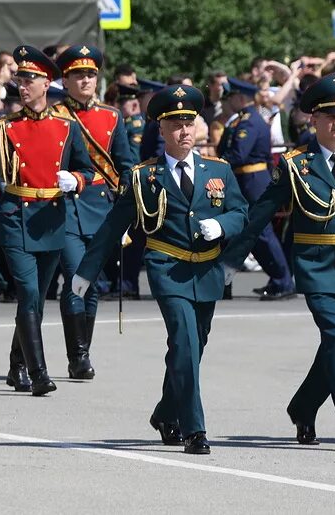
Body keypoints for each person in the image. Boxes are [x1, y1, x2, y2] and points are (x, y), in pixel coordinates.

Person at [221, 72, 335, 454]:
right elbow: (262, 211)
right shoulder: (296, 164)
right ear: (313, 120)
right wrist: (230, 261)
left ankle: (302, 407)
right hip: (316, 267)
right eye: (329, 116)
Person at [72, 84, 247, 454]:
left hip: (208, 271)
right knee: (183, 340)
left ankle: (166, 412)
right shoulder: (142, 177)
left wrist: (222, 227)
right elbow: (112, 226)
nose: (184, 131)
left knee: (192, 347)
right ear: (162, 130)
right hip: (167, 268)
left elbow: (240, 212)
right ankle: (194, 428)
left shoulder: (218, 170)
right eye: (175, 125)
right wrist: (86, 273)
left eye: (189, 123)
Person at [0, 46, 92, 395]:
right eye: (21, 79)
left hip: (51, 219)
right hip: (16, 216)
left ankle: (17, 366)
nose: (24, 86)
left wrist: (76, 180)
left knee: (37, 298)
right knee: (28, 291)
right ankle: (39, 372)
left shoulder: (66, 126)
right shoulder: (5, 129)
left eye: (31, 79)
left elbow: (87, 168)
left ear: (47, 83)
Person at [53, 44, 136, 379]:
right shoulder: (56, 116)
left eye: (90, 74)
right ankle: (79, 356)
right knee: (76, 277)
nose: (85, 80)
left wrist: (128, 204)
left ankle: (82, 350)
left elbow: (125, 165)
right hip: (66, 208)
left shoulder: (110, 116)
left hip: (101, 209)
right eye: (78, 75)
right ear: (65, 79)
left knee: (93, 283)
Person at [217, 77, 294, 299]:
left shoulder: (250, 121)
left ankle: (283, 282)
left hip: (253, 182)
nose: (229, 101)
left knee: (261, 234)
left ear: (241, 97)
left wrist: (215, 164)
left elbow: (238, 154)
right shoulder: (239, 120)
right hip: (244, 182)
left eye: (232, 97)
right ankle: (225, 282)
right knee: (241, 235)